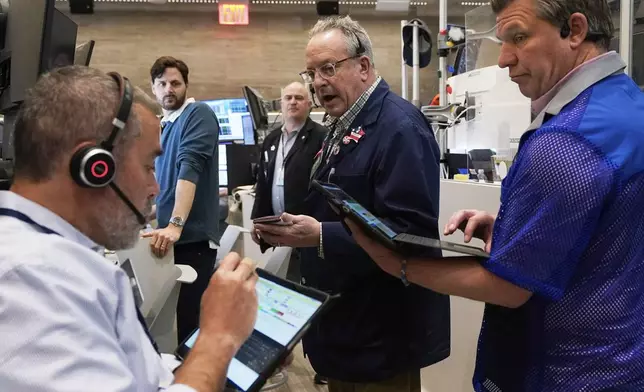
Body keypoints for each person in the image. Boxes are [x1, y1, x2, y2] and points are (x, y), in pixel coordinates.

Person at [346, 0, 644, 391]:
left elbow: (508, 288)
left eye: (519, 38)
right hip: (622, 360)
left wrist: (397, 264)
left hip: (563, 371)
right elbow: (610, 231)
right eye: (503, 40)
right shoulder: (629, 106)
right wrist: (514, 229)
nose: (504, 59)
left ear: (574, 31)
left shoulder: (566, 142)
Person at [0, 66, 258, 391]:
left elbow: (127, 366)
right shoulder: (27, 283)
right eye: (150, 166)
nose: (156, 186)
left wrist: (216, 356)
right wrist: (218, 339)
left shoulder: (53, 260)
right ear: (94, 166)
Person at [254, 16, 450, 392]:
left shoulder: (399, 128)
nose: (317, 82)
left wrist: (320, 236)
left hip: (380, 340)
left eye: (328, 68)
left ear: (363, 66)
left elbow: (410, 235)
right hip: (345, 330)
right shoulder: (341, 123)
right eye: (311, 72)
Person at [145, 56, 221, 343]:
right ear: (153, 88)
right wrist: (145, 216)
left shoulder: (197, 114)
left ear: (186, 85)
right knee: (174, 327)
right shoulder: (165, 125)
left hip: (193, 242)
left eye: (175, 83)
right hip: (172, 241)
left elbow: (189, 171)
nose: (169, 89)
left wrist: (175, 224)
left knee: (190, 330)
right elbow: (166, 190)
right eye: (162, 83)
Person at [251, 81, 328, 282]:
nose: (293, 102)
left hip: (306, 230)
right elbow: (263, 182)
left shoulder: (321, 137)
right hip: (277, 228)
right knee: (282, 281)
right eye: (288, 98)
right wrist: (258, 220)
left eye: (299, 98)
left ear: (309, 104)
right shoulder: (271, 139)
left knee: (307, 283)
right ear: (281, 103)